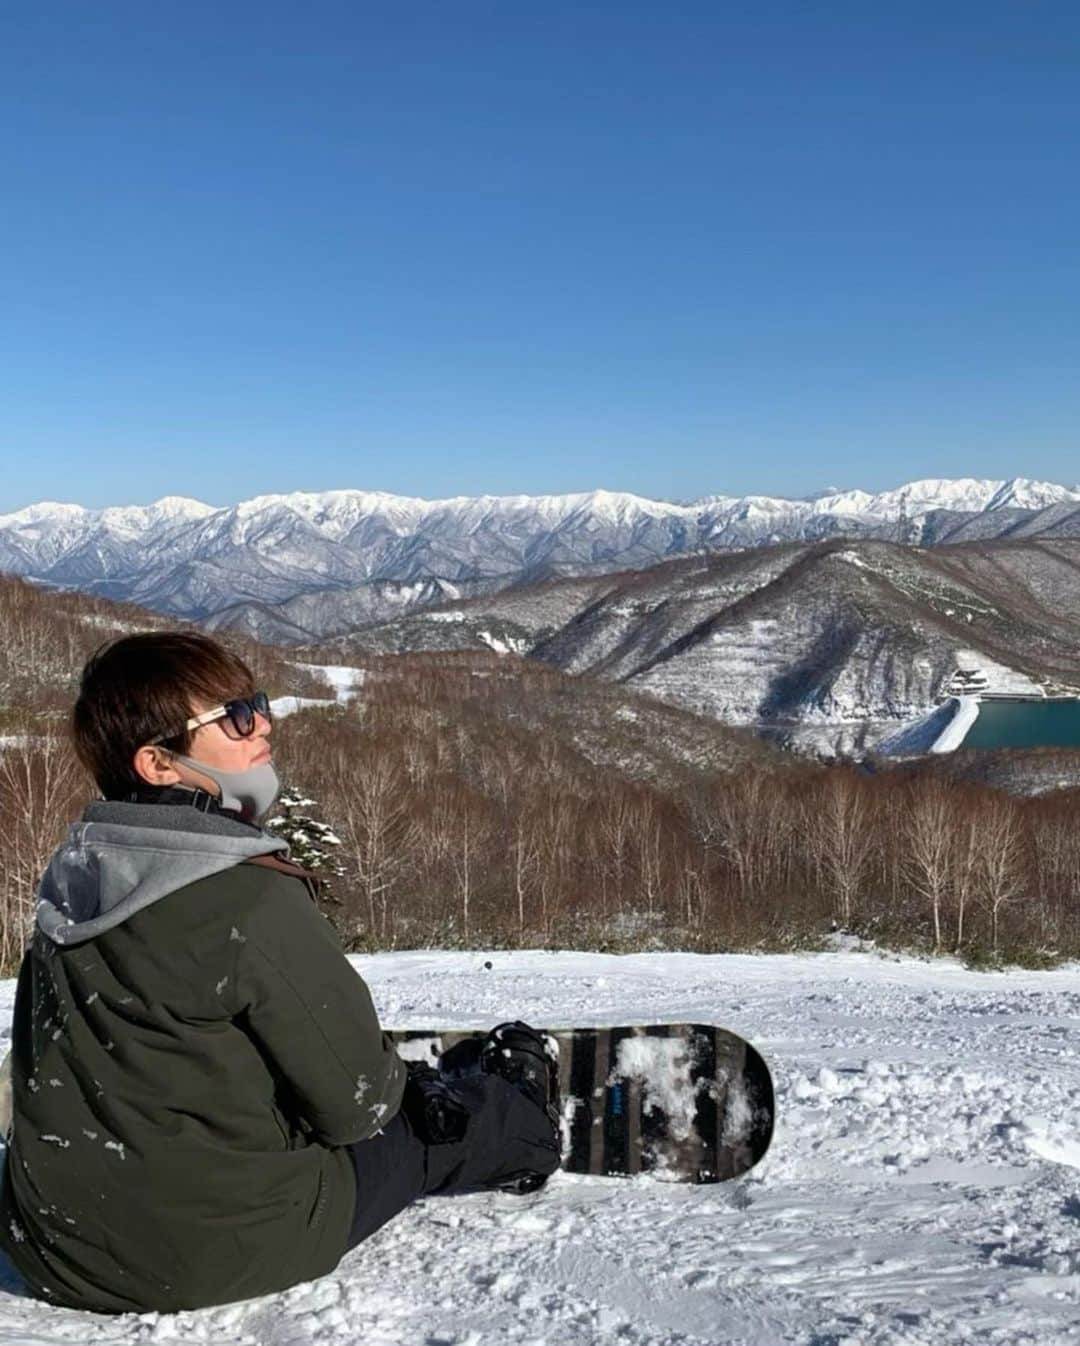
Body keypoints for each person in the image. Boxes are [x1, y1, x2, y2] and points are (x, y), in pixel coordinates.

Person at [0, 632, 560, 1313]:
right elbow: (360, 1108)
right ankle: (525, 1118)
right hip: (204, 1251)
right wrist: (400, 1093)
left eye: (256, 703)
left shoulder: (73, 879)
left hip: (53, 1246)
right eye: (235, 717)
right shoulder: (245, 897)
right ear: (158, 763)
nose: (263, 723)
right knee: (422, 1130)